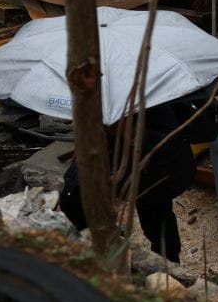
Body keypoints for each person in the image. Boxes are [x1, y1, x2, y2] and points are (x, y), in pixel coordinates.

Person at [59, 101, 201, 260]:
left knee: (156, 218)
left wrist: (131, 134)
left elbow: (172, 142)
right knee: (73, 197)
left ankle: (167, 267)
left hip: (153, 170)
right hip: (112, 154)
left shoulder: (157, 101)